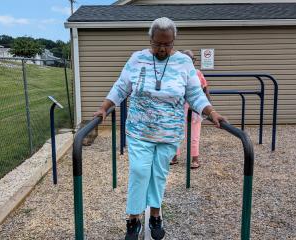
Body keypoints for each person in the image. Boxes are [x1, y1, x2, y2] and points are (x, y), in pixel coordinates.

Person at [94, 17, 226, 240]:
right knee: (139, 171)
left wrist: (211, 112)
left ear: (173, 41)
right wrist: (103, 108)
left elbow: (194, 94)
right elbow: (121, 86)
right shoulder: (137, 59)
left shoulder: (184, 62)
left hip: (169, 133)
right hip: (139, 131)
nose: (162, 49)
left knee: (158, 174)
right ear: (150, 40)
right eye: (157, 44)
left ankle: (155, 214)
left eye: (167, 44)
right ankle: (133, 219)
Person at [170, 50, 211, 169]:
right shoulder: (175, 73)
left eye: (191, 59)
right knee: (175, 133)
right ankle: (173, 156)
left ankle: (195, 159)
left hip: (194, 109)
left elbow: (205, 90)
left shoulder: (197, 73)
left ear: (194, 61)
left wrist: (208, 108)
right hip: (178, 108)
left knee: (194, 135)